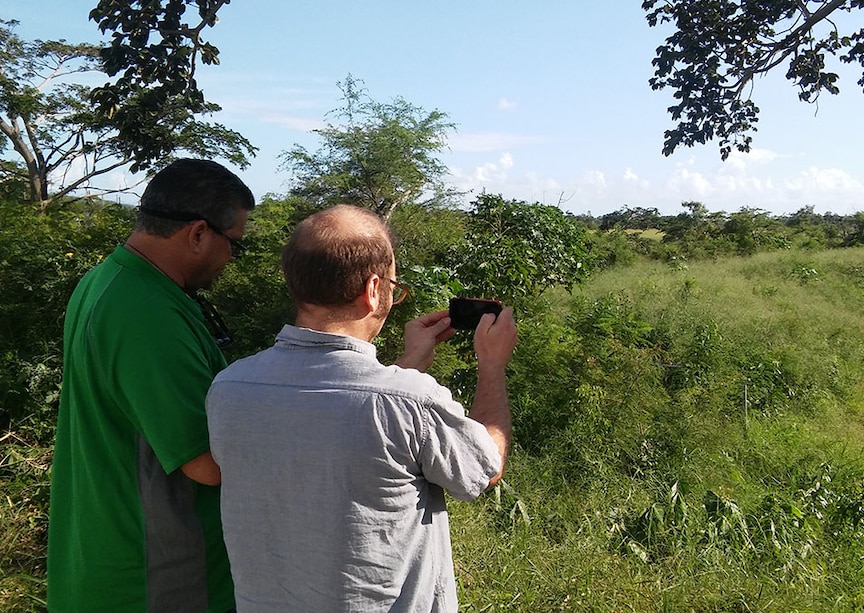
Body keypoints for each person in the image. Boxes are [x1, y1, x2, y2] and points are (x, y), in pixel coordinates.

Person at [206, 204, 516, 612]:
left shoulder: (230, 387)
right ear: (373, 290)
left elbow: (337, 415)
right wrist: (492, 365)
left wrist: (406, 366)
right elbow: (486, 466)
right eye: (392, 283)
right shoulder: (410, 400)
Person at [47, 159, 255, 612]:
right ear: (198, 233)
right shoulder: (147, 314)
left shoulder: (110, 280)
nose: (231, 262)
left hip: (111, 554)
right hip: (155, 580)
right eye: (234, 245)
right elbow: (207, 464)